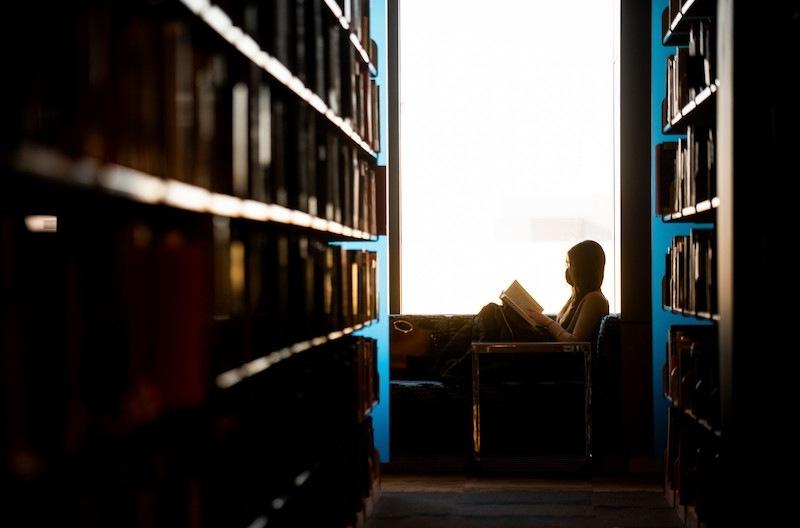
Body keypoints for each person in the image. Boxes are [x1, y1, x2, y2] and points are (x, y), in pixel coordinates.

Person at [433, 240, 609, 383]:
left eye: (570, 265)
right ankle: (454, 365)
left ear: (582, 268)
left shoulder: (595, 299)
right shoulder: (576, 297)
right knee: (490, 314)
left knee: (491, 312)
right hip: (548, 350)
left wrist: (546, 321)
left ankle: (453, 365)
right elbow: (560, 327)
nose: (567, 270)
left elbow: (575, 343)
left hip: (556, 360)